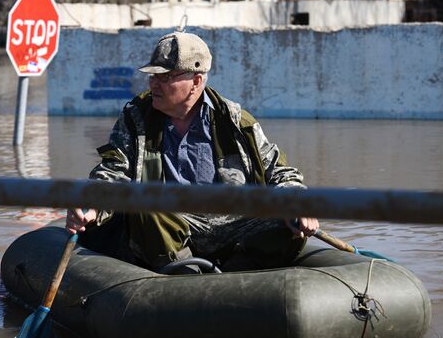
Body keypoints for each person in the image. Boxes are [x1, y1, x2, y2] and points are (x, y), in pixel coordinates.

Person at [66, 31, 319, 272]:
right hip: (169, 226)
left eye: (165, 77)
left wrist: (296, 203)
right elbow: (113, 172)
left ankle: (237, 275)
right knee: (144, 204)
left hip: (231, 226)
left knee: (286, 224)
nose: (154, 83)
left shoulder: (236, 122)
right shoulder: (136, 118)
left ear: (196, 81)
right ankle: (187, 277)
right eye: (152, 76)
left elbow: (281, 172)